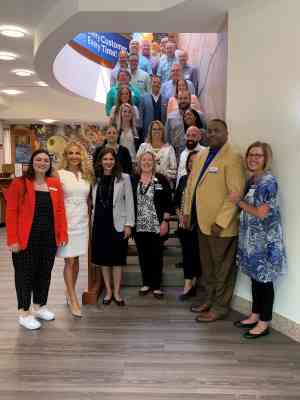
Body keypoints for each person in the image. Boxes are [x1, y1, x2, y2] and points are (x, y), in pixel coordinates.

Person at [184, 119, 246, 322]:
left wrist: (222, 221)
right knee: (208, 267)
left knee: (223, 270)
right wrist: (186, 212)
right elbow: (191, 185)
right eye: (209, 131)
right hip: (202, 223)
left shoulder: (233, 156)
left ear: (226, 133)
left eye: (216, 131)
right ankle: (209, 300)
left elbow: (236, 193)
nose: (212, 134)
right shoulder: (202, 155)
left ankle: (220, 307)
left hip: (221, 227)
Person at [229, 141, 287, 339]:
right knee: (255, 279)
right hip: (252, 241)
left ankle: (264, 322)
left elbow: (261, 213)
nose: (253, 158)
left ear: (266, 159)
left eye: (258, 155)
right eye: (251, 154)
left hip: (265, 243)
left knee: (265, 282)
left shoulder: (268, 182)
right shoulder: (253, 180)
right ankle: (255, 314)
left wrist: (238, 201)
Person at [5, 149, 68, 330]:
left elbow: (60, 211)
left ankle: (39, 306)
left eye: (46, 160)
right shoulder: (20, 183)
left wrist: (62, 234)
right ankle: (24, 313)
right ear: (32, 162)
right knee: (25, 275)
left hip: (48, 238)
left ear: (50, 164)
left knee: (44, 273)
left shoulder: (55, 183)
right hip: (26, 239)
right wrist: (12, 240)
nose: (42, 163)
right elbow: (11, 212)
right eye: (39, 159)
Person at [91, 148, 134, 306]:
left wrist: (129, 224)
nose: (108, 162)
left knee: (117, 260)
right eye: (105, 159)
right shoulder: (95, 179)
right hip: (100, 224)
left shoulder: (124, 178)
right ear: (100, 161)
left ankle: (116, 291)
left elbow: (129, 202)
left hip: (118, 224)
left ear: (115, 161)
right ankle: (108, 291)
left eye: (111, 159)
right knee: (103, 260)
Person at [57, 142, 94, 317]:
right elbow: (56, 201)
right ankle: (73, 298)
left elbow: (88, 201)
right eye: (70, 153)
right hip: (67, 222)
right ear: (65, 156)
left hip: (82, 223)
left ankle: (68, 290)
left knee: (77, 260)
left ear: (82, 156)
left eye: (77, 153)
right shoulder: (59, 175)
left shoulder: (86, 175)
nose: (74, 156)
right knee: (69, 261)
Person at [132, 151, 172, 298]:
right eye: (144, 160)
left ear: (154, 163)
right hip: (139, 225)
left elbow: (169, 202)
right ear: (139, 162)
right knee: (143, 255)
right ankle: (146, 283)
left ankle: (156, 286)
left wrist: (166, 222)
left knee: (156, 255)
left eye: (150, 160)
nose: (147, 163)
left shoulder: (161, 179)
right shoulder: (133, 179)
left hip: (157, 224)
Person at [174, 151, 201, 300]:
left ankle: (191, 285)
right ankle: (188, 285)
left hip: (197, 225)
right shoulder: (183, 179)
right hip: (183, 225)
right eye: (190, 161)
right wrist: (180, 216)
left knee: (195, 255)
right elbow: (176, 200)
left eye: (196, 161)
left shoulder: (203, 180)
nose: (192, 164)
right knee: (187, 255)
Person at [165, 90, 206, 159]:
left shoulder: (199, 115)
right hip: (176, 156)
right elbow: (167, 139)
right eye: (180, 98)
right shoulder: (170, 117)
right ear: (177, 100)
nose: (183, 101)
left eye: (185, 98)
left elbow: (204, 136)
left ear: (190, 99)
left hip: (197, 156)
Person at [137, 120, 177, 185]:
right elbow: (138, 166)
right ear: (150, 131)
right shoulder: (143, 147)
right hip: (145, 183)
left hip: (164, 184)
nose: (157, 131)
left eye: (159, 129)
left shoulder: (169, 148)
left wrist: (160, 173)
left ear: (163, 132)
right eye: (154, 129)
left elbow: (174, 172)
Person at [139, 75, 167, 142]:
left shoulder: (165, 99)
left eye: (159, 83)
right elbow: (141, 115)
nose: (156, 84)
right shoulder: (144, 98)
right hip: (147, 131)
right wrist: (140, 129)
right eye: (154, 82)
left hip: (161, 131)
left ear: (161, 85)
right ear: (151, 84)